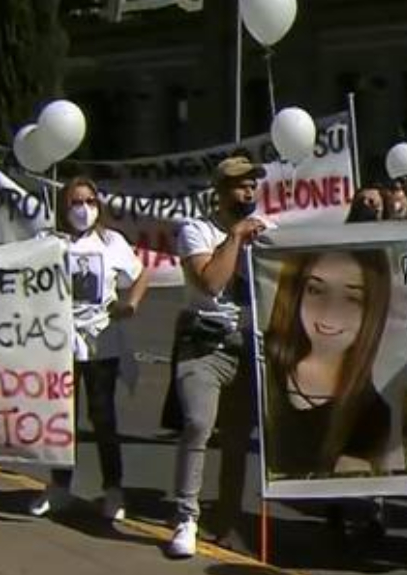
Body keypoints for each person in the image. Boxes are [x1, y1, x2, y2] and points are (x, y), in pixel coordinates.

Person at [29, 176, 150, 521]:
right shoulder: (48, 241)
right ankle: (59, 487)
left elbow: (141, 275)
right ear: (64, 207)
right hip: (58, 341)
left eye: (90, 201)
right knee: (61, 416)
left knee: (102, 418)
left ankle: (113, 490)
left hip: (102, 340)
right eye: (75, 202)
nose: (83, 209)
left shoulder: (112, 241)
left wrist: (131, 305)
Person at [166, 155, 268, 559]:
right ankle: (185, 516)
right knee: (196, 424)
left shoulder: (267, 230)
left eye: (252, 184)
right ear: (221, 192)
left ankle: (226, 518)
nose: (249, 191)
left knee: (239, 440)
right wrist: (236, 237)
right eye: (241, 184)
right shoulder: (197, 230)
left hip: (247, 349)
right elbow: (210, 282)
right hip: (204, 346)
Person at [263, 250, 393, 477]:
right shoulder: (263, 371)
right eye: (316, 290)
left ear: (372, 309)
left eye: (352, 298)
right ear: (297, 293)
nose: (330, 312)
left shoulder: (373, 416)